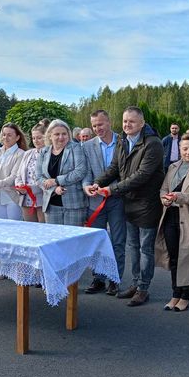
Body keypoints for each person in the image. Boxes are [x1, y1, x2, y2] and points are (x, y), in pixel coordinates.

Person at [89, 106, 164, 307]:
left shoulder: (153, 144)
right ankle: (135, 283)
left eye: (131, 121)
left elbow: (142, 175)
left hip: (147, 203)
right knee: (133, 246)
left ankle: (143, 288)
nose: (127, 125)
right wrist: (98, 182)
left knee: (146, 249)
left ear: (141, 123)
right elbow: (115, 168)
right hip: (129, 201)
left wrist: (112, 190)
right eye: (124, 121)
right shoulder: (122, 141)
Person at [155, 130, 189, 312]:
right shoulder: (172, 168)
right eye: (185, 149)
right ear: (179, 149)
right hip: (171, 217)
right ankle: (175, 294)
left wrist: (178, 196)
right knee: (175, 259)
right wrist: (164, 198)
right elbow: (163, 189)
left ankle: (186, 297)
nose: (188, 152)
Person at [82, 110, 126, 296]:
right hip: (96, 201)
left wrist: (112, 189)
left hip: (118, 199)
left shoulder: (123, 142)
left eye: (100, 124)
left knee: (117, 241)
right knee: (97, 242)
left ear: (109, 122)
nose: (97, 128)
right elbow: (85, 173)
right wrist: (86, 187)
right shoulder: (87, 146)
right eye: (94, 125)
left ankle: (114, 279)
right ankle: (98, 278)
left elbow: (126, 172)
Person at [36, 119, 88, 226]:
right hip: (51, 205)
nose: (61, 137)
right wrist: (54, 188)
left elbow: (80, 171)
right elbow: (38, 177)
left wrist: (56, 181)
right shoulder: (43, 152)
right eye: (57, 134)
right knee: (54, 240)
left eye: (64, 134)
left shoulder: (76, 148)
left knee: (73, 240)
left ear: (69, 135)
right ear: (50, 136)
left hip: (74, 205)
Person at [0, 123, 27, 221]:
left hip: (12, 197)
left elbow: (14, 176)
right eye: (4, 134)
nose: (5, 137)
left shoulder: (21, 154)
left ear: (17, 137)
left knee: (14, 229)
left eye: (9, 135)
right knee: (0, 229)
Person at [15, 123, 47, 223]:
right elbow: (19, 175)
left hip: (42, 199)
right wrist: (19, 185)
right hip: (26, 199)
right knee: (29, 231)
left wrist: (32, 189)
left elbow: (50, 178)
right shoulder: (28, 153)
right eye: (33, 138)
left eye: (39, 138)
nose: (35, 141)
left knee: (43, 231)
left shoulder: (50, 154)